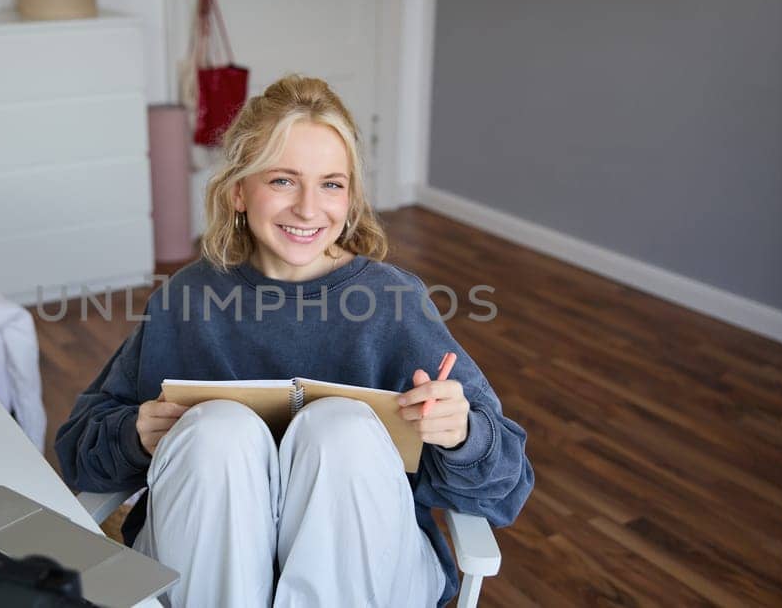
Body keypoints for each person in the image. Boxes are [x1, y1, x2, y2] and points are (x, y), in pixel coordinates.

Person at [54, 75, 533, 607]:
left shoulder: (394, 303)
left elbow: (507, 486)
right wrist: (133, 434)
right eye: (283, 180)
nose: (309, 209)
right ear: (238, 189)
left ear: (350, 198)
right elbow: (79, 450)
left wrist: (462, 433)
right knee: (218, 432)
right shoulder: (187, 299)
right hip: (204, 570)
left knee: (343, 430)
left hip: (367, 570)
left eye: (331, 183)